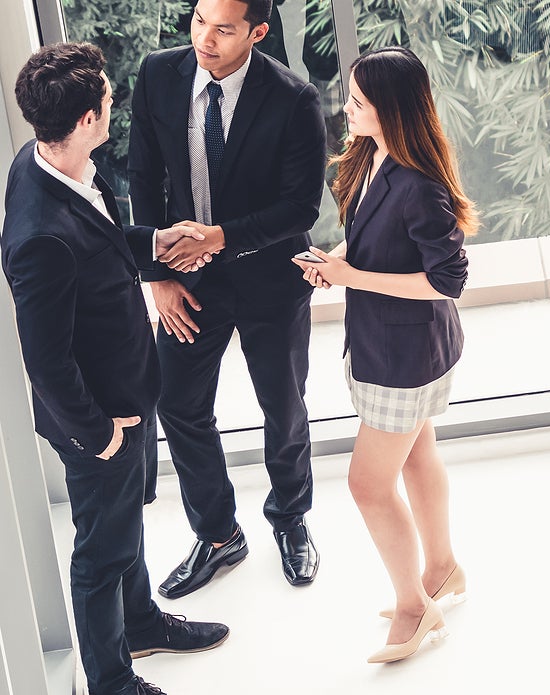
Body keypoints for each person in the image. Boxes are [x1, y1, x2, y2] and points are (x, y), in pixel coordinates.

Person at [4, 42, 228, 695]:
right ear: (83, 120)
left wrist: (156, 244)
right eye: (104, 97)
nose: (112, 103)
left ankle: (142, 622)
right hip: (100, 418)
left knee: (124, 522)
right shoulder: (38, 236)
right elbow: (44, 359)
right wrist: (99, 433)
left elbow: (103, 240)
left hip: (127, 385)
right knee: (100, 552)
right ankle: (110, 680)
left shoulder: (57, 163)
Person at [126, 0, 328, 597]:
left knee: (283, 407)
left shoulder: (295, 99)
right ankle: (218, 535)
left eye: (223, 28)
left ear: (257, 33)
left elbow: (302, 208)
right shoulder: (158, 74)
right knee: (179, 404)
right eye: (198, 20)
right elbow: (143, 175)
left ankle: (290, 519)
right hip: (188, 281)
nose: (204, 38)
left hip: (270, 279)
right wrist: (158, 274)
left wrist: (223, 237)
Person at [292, 45, 470, 663]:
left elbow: (447, 279)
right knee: (418, 455)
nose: (346, 108)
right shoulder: (374, 159)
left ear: (389, 111)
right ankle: (442, 569)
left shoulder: (419, 186)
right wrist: (339, 264)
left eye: (358, 102)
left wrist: (351, 277)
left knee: (368, 485)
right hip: (394, 345)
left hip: (404, 355)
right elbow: (373, 240)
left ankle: (415, 607)